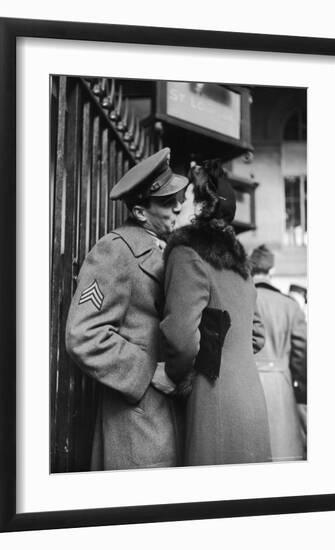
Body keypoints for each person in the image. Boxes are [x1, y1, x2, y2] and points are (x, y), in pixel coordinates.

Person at [65, 148, 188, 471]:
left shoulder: (169, 251)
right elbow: (84, 334)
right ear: (140, 212)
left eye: (177, 197)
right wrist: (149, 371)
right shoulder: (114, 251)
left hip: (168, 411)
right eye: (165, 201)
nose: (178, 206)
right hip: (138, 419)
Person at [160, 161, 271, 466]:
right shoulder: (241, 267)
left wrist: (175, 376)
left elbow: (181, 337)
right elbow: (257, 335)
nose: (177, 204)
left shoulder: (186, 254)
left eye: (186, 198)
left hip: (212, 402)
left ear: (200, 208)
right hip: (250, 399)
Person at [250, 245, 307, 461]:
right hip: (281, 385)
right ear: (271, 270)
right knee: (283, 452)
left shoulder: (243, 299)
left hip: (248, 384)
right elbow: (301, 354)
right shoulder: (290, 306)